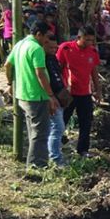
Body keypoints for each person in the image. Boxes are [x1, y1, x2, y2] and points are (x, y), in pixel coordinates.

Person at [5, 21, 59, 168]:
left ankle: (34, 162)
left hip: (23, 94)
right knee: (40, 134)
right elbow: (40, 73)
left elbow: (7, 65)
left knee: (33, 131)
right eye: (46, 37)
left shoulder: (20, 44)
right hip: (36, 96)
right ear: (38, 34)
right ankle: (37, 165)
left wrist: (10, 83)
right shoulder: (36, 48)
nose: (47, 41)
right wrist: (51, 96)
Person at [57, 26, 101, 158]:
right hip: (69, 93)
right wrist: (59, 88)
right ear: (78, 38)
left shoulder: (92, 51)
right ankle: (56, 145)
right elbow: (58, 69)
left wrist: (98, 90)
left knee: (86, 122)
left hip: (85, 93)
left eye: (92, 40)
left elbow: (94, 72)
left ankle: (82, 150)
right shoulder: (65, 49)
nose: (89, 43)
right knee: (62, 120)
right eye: (87, 40)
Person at [44, 33, 71, 166]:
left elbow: (58, 76)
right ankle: (55, 158)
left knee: (55, 128)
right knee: (57, 127)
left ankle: (53, 153)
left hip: (60, 96)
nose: (54, 50)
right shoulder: (42, 60)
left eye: (56, 48)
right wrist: (51, 97)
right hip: (51, 98)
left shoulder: (53, 59)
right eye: (51, 48)